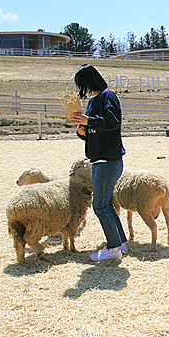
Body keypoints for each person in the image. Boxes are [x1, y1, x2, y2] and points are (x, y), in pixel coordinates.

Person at [71, 64, 127, 262]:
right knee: (107, 205)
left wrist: (90, 121)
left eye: (82, 84)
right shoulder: (94, 100)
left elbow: (113, 122)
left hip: (108, 161)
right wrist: (83, 132)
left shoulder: (107, 96)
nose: (81, 89)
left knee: (100, 206)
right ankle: (120, 243)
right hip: (100, 159)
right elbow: (96, 131)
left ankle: (113, 249)